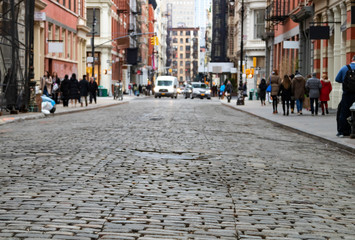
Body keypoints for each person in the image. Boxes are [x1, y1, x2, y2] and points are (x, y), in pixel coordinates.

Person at [335, 55, 355, 137]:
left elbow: (337, 79)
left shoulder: (344, 68)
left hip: (347, 94)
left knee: (343, 112)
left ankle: (342, 131)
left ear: (352, 59)